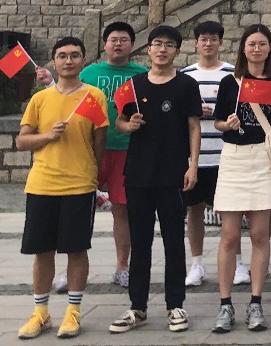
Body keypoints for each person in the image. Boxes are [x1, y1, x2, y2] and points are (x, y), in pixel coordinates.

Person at [108, 24, 202, 335]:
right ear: (148, 49)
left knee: (174, 241)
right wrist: (129, 125)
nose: (162, 49)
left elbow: (194, 126)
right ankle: (138, 307)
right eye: (157, 44)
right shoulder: (134, 85)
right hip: (138, 173)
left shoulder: (186, 85)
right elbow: (120, 121)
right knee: (140, 242)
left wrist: (193, 166)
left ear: (177, 51)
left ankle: (176, 305)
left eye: (169, 45)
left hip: (173, 173)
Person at [16, 37, 109, 341]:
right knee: (42, 250)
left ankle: (73, 311)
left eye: (75, 55)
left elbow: (99, 142)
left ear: (83, 60)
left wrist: (92, 174)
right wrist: (46, 137)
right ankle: (40, 312)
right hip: (42, 184)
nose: (69, 61)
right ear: (54, 62)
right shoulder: (40, 99)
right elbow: (22, 141)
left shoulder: (94, 96)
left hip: (79, 185)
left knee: (76, 249)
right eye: (62, 56)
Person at [209, 26, 271, 333]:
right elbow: (217, 121)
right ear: (243, 48)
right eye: (252, 44)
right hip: (234, 158)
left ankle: (256, 302)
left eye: (262, 44)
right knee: (229, 235)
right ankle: (225, 304)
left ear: (269, 49)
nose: (257, 49)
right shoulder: (230, 82)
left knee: (260, 234)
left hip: (262, 158)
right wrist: (227, 124)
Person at [79, 22, 148, 289]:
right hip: (90, 149)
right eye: (113, 40)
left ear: (132, 44)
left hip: (127, 149)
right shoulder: (89, 73)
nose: (118, 44)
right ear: (105, 44)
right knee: (80, 209)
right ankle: (75, 269)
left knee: (122, 209)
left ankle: (122, 267)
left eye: (123, 40)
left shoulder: (141, 75)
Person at [179, 21, 235, 290]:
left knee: (231, 211)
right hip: (196, 157)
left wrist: (219, 114)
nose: (209, 44)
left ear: (221, 42)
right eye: (204, 39)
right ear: (196, 43)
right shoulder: (185, 75)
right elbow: (178, 114)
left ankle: (236, 262)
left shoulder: (232, 74)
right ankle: (197, 263)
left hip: (226, 154)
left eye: (213, 39)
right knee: (195, 210)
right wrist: (193, 112)